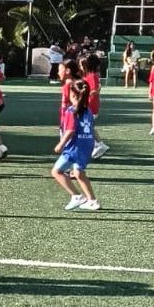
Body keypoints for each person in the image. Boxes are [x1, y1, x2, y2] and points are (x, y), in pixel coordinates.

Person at [52, 79, 100, 212]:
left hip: (75, 147)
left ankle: (76, 196)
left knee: (56, 171)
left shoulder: (71, 111)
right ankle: (92, 201)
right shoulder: (88, 111)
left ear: (73, 95)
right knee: (79, 173)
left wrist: (61, 144)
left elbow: (71, 130)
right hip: (87, 145)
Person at [81, 54, 108, 159]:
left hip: (90, 105)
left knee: (87, 127)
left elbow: (93, 91)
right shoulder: (89, 75)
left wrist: (82, 96)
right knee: (87, 127)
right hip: (89, 104)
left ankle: (99, 145)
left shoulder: (92, 76)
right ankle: (97, 145)